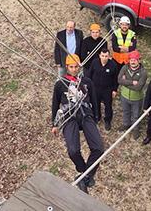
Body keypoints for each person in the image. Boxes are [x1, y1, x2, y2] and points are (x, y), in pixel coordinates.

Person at [51, 54, 105, 194]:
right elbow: (55, 104)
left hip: (86, 115)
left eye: (76, 67)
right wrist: (54, 124)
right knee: (73, 151)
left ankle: (86, 177)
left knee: (98, 148)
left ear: (79, 67)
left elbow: (94, 100)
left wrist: (96, 117)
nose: (74, 69)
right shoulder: (60, 84)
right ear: (67, 67)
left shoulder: (86, 82)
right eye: (71, 67)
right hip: (70, 118)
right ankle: (83, 172)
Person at [86, 48, 119, 131]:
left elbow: (115, 79)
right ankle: (97, 117)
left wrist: (114, 90)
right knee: (95, 104)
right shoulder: (95, 63)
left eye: (106, 56)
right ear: (99, 56)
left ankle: (107, 120)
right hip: (95, 88)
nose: (104, 58)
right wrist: (88, 87)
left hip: (107, 89)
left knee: (108, 106)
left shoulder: (113, 65)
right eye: (103, 56)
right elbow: (89, 75)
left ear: (109, 56)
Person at [117, 50, 147, 139]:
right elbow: (119, 80)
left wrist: (125, 82)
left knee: (136, 115)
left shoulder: (143, 72)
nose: (133, 62)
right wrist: (132, 82)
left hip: (137, 98)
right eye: (131, 59)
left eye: (135, 59)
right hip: (124, 96)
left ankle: (135, 129)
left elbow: (138, 87)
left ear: (139, 60)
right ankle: (126, 124)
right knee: (126, 112)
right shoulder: (124, 68)